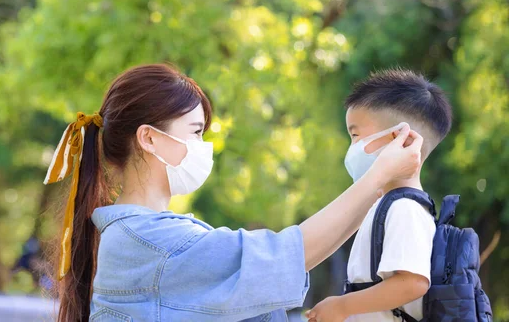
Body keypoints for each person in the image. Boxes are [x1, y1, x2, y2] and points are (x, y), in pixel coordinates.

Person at [43, 64, 423, 322]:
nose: (202, 145)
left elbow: (284, 262)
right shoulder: (151, 242)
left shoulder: (145, 236)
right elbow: (289, 254)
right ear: (148, 138)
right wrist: (377, 177)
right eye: (194, 132)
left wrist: (376, 182)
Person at [306, 69, 453, 322]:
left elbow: (412, 283)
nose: (352, 148)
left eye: (355, 135)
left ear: (400, 138)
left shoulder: (405, 208)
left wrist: (342, 306)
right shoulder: (385, 205)